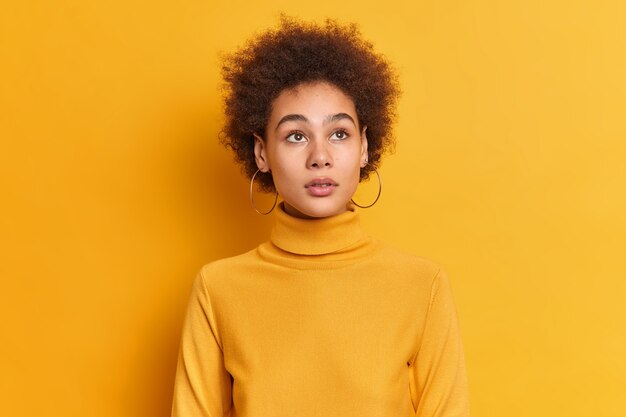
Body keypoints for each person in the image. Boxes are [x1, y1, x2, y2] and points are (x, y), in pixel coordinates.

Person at [171, 16, 470, 417]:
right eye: (296, 135)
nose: (320, 156)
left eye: (339, 134)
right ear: (262, 153)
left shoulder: (422, 286)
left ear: (364, 146)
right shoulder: (218, 289)